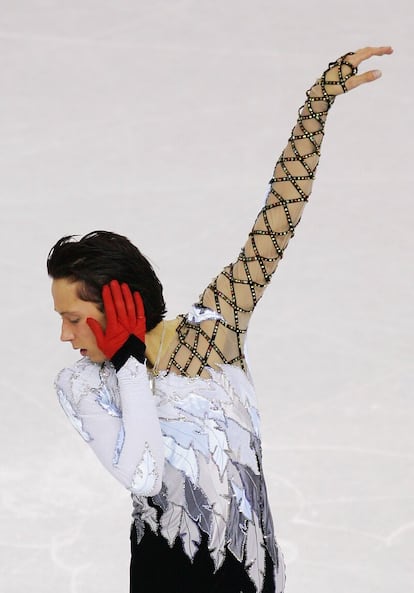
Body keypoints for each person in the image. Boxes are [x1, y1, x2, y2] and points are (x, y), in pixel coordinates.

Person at [48, 46, 392, 593]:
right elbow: (141, 473)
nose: (64, 335)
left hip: (252, 574)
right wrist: (131, 366)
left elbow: (274, 224)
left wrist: (316, 106)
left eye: (73, 317)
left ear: (114, 304)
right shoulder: (84, 385)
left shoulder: (213, 332)